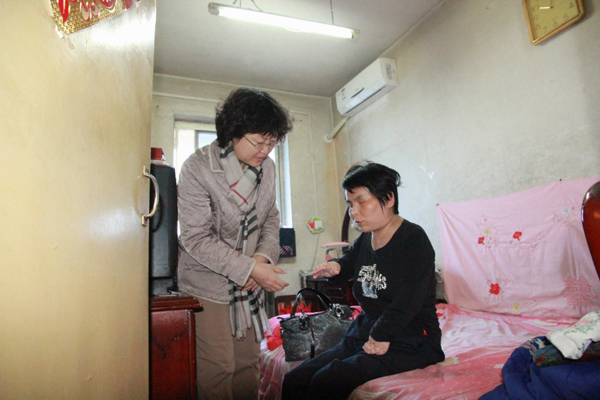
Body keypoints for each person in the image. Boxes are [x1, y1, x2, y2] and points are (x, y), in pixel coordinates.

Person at [281, 161, 445, 400]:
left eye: (361, 201)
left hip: (411, 337)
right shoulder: (366, 239)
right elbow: (348, 262)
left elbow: (408, 300)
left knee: (326, 381)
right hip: (367, 330)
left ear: (389, 199)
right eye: (350, 204)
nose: (353, 212)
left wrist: (381, 336)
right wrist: (335, 266)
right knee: (296, 379)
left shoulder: (413, 239)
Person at [177, 87, 293, 400]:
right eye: (259, 142)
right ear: (233, 132)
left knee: (248, 365)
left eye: (272, 143)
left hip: (249, 284)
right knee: (218, 368)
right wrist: (249, 269)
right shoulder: (197, 167)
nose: (266, 151)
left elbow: (271, 219)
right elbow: (195, 236)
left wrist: (261, 261)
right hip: (207, 284)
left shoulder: (267, 168)